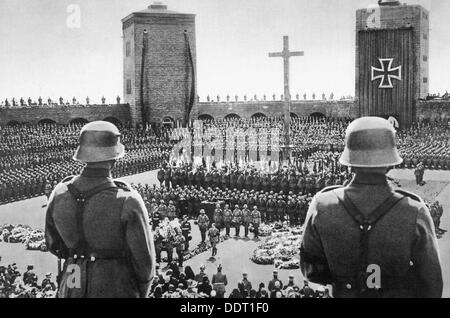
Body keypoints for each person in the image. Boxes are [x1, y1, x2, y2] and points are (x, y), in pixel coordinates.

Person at [300, 117, 443, 298]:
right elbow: (432, 284)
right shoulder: (414, 210)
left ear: (348, 162)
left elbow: (311, 271)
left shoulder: (321, 205)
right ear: (391, 163)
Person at [45, 121, 155, 298]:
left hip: (72, 282)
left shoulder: (59, 193)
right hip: (114, 285)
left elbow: (54, 245)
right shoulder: (128, 200)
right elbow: (145, 266)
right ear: (114, 159)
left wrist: (79, 257)